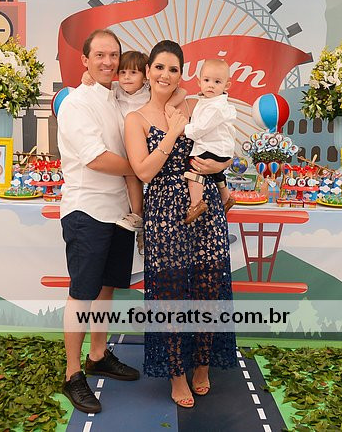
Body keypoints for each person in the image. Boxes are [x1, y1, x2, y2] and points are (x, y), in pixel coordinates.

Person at [123, 40, 237, 408]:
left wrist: (222, 165)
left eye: (173, 69)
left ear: (182, 74)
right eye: (159, 67)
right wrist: (173, 131)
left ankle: (202, 365)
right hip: (163, 211)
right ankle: (176, 373)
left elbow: (220, 145)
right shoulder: (136, 119)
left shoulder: (194, 106)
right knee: (170, 294)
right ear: (147, 71)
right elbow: (144, 171)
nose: (165, 75)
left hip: (205, 205)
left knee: (209, 286)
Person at [56, 29, 140, 415]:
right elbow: (95, 158)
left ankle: (97, 355)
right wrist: (140, 168)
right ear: (85, 61)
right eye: (100, 55)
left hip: (119, 212)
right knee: (82, 293)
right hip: (86, 210)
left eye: (114, 56)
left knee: (106, 289)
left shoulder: (117, 97)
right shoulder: (76, 103)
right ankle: (73, 374)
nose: (108, 62)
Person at [81, 51, 186, 248]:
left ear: (145, 75)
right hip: (121, 146)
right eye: (122, 72)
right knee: (130, 177)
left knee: (138, 176)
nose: (127, 78)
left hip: (142, 147)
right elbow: (97, 84)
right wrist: (88, 75)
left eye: (133, 73)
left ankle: (140, 219)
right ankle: (138, 216)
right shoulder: (116, 90)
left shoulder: (149, 91)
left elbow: (181, 92)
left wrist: (170, 106)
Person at [182, 58, 237, 224]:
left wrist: (184, 130)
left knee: (194, 168)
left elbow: (201, 128)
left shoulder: (216, 107)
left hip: (214, 148)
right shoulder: (208, 101)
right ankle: (226, 198)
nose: (211, 85)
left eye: (217, 82)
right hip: (220, 149)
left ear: (227, 85)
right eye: (207, 80)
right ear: (199, 82)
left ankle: (196, 203)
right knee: (217, 173)